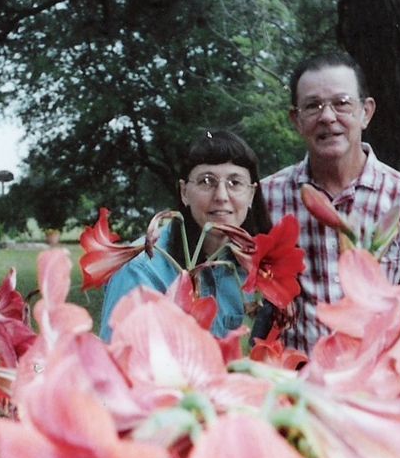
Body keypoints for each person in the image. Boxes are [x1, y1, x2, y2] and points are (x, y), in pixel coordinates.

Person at [261, 51, 400, 352]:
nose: (327, 117)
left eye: (342, 103)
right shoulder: (265, 198)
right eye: (313, 106)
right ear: (296, 120)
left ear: (366, 112)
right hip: (293, 387)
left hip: (379, 388)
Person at [99, 130, 272, 339]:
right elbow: (118, 358)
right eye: (206, 181)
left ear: (251, 194)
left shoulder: (258, 266)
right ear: (184, 192)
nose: (221, 196)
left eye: (235, 183)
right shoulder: (140, 269)